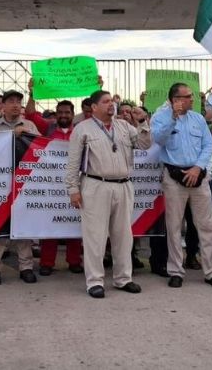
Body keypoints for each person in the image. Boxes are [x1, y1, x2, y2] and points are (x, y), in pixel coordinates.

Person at [66, 90, 152, 298]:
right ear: (94, 107)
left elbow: (144, 144)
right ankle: (94, 281)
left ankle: (123, 278)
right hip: (96, 185)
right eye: (105, 102)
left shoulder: (124, 126)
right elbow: (73, 162)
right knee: (95, 236)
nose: (111, 104)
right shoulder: (82, 129)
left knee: (123, 235)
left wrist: (142, 122)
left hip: (123, 185)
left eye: (112, 101)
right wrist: (73, 189)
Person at [151, 83, 212, 289]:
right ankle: (175, 270)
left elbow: (207, 145)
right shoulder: (160, 117)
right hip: (174, 178)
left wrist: (198, 168)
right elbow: (158, 139)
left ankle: (211, 271)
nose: (192, 100)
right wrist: (172, 119)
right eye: (187, 97)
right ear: (176, 100)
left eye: (191, 96)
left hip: (198, 177)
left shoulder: (198, 119)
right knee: (174, 226)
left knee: (206, 225)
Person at [0, 90, 40, 286]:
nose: (16, 105)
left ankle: (26, 267)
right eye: (11, 102)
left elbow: (40, 149)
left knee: (23, 225)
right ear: (3, 106)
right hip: (1, 184)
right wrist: (11, 135)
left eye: (19, 101)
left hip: (24, 182)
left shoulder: (30, 125)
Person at [37, 100, 83, 276]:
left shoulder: (80, 132)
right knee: (50, 225)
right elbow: (32, 115)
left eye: (67, 113)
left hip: (75, 184)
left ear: (73, 114)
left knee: (74, 224)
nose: (64, 115)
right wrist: (33, 94)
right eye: (60, 113)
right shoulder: (47, 130)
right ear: (56, 115)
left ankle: (74, 261)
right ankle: (47, 262)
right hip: (51, 186)